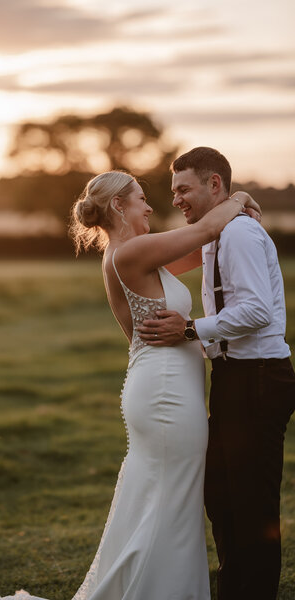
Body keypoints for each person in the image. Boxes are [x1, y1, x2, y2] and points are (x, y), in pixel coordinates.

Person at [0, 170, 260, 600]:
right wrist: (240, 195)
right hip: (166, 396)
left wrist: (235, 226)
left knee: (166, 499)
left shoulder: (135, 254)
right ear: (119, 205)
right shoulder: (130, 253)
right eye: (141, 199)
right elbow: (208, 228)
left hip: (162, 388)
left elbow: (201, 249)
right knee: (172, 502)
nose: (150, 206)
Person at [137, 147, 295, 600]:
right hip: (232, 379)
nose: (177, 199)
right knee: (223, 499)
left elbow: (256, 311)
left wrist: (189, 330)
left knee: (251, 505)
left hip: (259, 378)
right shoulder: (213, 233)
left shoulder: (241, 234)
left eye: (184, 189)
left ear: (214, 185)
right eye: (173, 191)